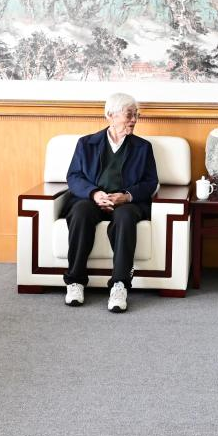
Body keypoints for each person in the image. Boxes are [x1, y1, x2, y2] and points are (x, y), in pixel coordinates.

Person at [61, 92, 158, 313]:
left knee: (125, 217)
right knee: (80, 213)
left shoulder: (143, 147)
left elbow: (150, 182)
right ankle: (75, 281)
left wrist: (127, 195)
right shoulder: (86, 143)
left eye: (136, 115)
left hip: (126, 203)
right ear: (110, 116)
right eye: (129, 115)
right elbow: (74, 176)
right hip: (92, 199)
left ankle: (120, 284)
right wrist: (94, 193)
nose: (134, 120)